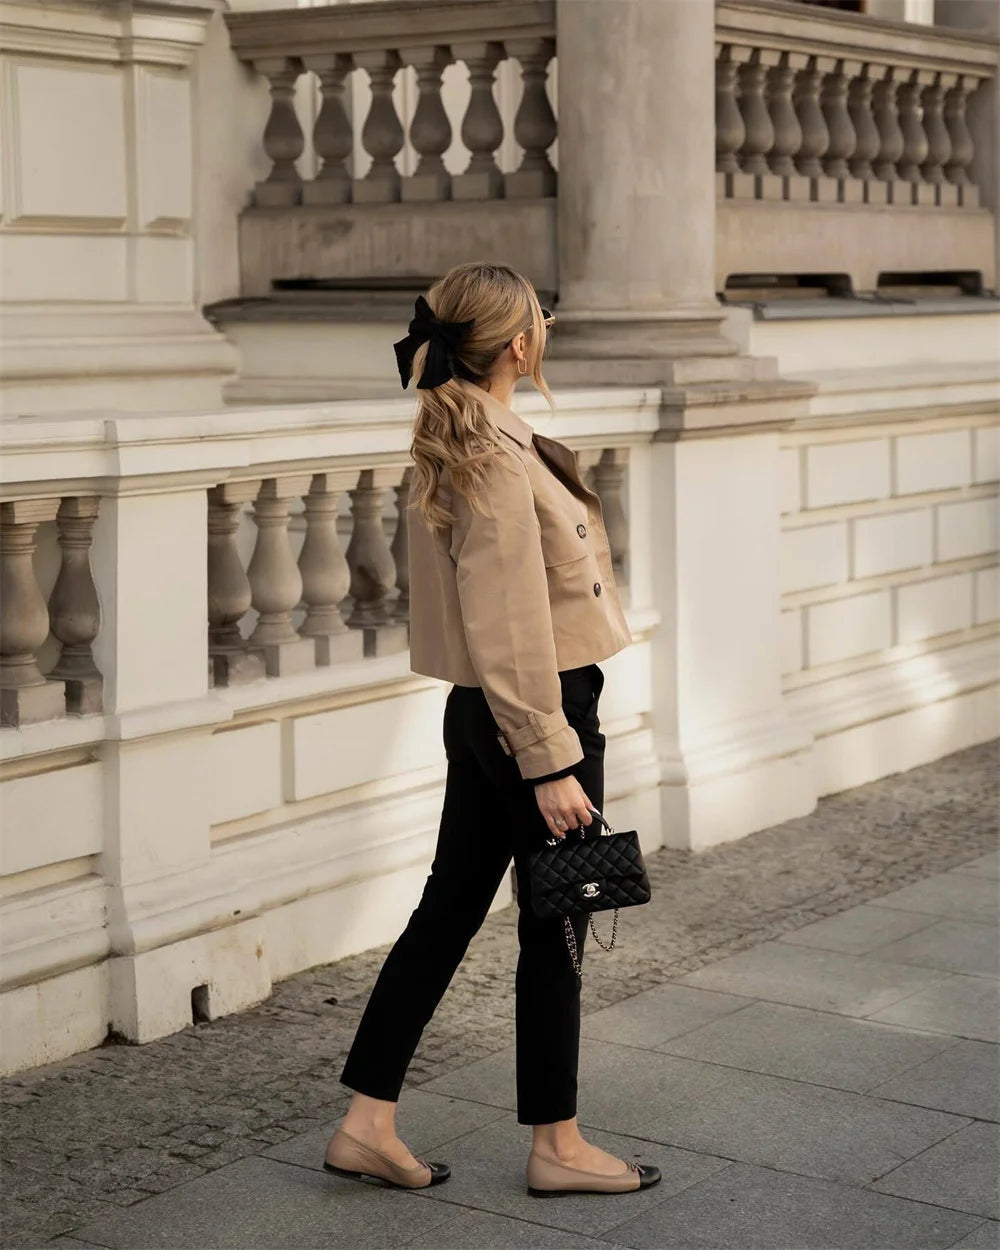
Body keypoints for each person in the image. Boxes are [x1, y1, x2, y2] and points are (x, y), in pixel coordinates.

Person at [323, 262, 661, 1198]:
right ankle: (559, 1147)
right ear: (518, 343)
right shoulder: (496, 455)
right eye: (540, 316)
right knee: (557, 922)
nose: (547, 325)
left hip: (485, 709)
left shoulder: (465, 437)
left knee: (447, 911)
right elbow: (510, 621)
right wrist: (551, 761)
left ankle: (366, 1125)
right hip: (536, 709)